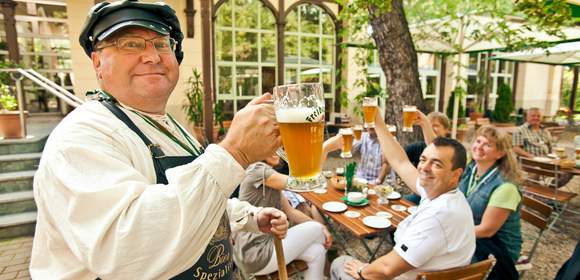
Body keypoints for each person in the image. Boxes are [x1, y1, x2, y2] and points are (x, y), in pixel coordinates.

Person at [30, 1, 288, 279]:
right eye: (130, 44)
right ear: (97, 63)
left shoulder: (170, 126)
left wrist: (247, 217)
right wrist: (234, 152)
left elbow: (188, 194)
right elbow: (127, 251)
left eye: (161, 44)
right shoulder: (81, 136)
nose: (152, 56)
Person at [331, 112, 475, 280]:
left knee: (340, 263)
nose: (424, 167)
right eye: (423, 159)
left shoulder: (438, 215)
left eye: (436, 164)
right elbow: (400, 161)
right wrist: (377, 119)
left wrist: (362, 270)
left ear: (455, 174)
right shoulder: (446, 194)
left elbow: (386, 269)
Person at [234, 136, 342, 279]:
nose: (276, 151)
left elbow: (291, 212)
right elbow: (304, 183)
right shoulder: (257, 170)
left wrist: (322, 228)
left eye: (278, 148)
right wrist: (325, 148)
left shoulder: (269, 178)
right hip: (256, 254)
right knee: (316, 230)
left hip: (262, 249)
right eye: (270, 147)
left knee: (316, 251)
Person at [459, 126, 522, 279]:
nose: (479, 147)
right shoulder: (471, 169)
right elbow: (441, 151)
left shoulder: (506, 187)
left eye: (487, 144)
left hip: (496, 248)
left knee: (438, 256)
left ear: (500, 153)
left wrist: (448, 233)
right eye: (478, 141)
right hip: (470, 235)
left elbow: (486, 230)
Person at [512, 107, 572, 187]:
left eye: (538, 116)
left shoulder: (545, 131)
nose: (536, 118)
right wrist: (531, 156)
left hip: (547, 161)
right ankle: (532, 188)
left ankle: (551, 187)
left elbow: (551, 148)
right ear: (527, 117)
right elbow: (516, 148)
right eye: (533, 116)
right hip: (529, 162)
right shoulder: (520, 130)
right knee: (537, 169)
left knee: (569, 171)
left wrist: (556, 157)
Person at [404, 111, 447, 204]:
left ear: (446, 129)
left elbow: (436, 148)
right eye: (429, 126)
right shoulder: (417, 146)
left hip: (438, 199)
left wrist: (424, 123)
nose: (431, 129)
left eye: (436, 125)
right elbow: (399, 161)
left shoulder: (451, 150)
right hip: (420, 194)